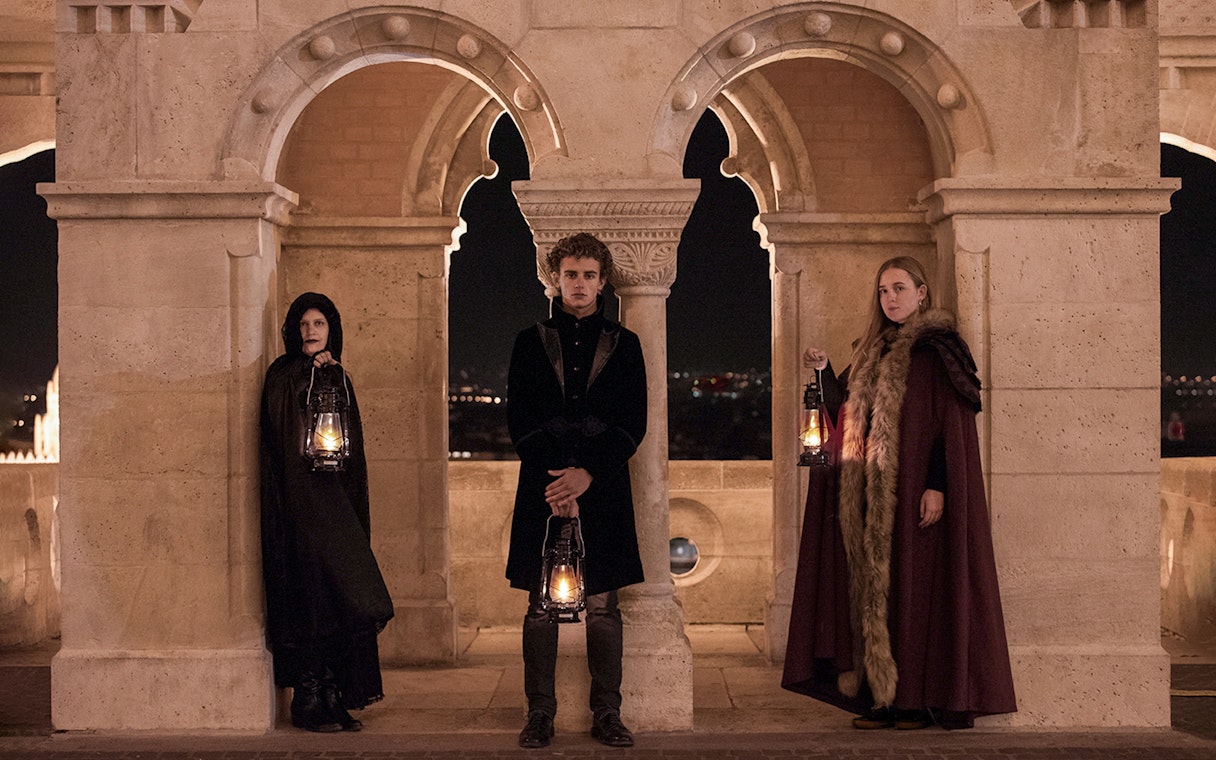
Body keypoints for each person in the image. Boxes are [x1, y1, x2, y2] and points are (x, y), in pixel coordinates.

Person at [782, 256, 1017, 730]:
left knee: (916, 589)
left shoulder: (938, 351)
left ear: (921, 293)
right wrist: (824, 371)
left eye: (899, 288)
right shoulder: (872, 351)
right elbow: (846, 413)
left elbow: (949, 426)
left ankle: (916, 701)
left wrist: (937, 485)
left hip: (912, 492)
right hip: (867, 497)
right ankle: (882, 698)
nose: (890, 298)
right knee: (875, 595)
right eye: (883, 291)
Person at [505, 232, 648, 748]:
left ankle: (607, 713)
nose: (580, 284)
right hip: (543, 489)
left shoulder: (625, 344)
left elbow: (633, 424)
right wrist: (560, 481)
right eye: (571, 275)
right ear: (555, 279)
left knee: (604, 606)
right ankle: (539, 714)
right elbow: (518, 420)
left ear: (603, 281)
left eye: (589, 275)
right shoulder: (529, 341)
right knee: (539, 608)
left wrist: (586, 475)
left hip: (603, 488)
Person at [260, 292, 394, 733]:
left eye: (318, 324)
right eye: (303, 324)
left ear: (331, 329)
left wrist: (329, 377)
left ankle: (335, 694)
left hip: (336, 505)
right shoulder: (283, 375)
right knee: (310, 598)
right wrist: (309, 378)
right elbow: (283, 436)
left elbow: (349, 447)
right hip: (300, 506)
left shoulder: (339, 376)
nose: (310, 331)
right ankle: (308, 697)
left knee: (342, 598)